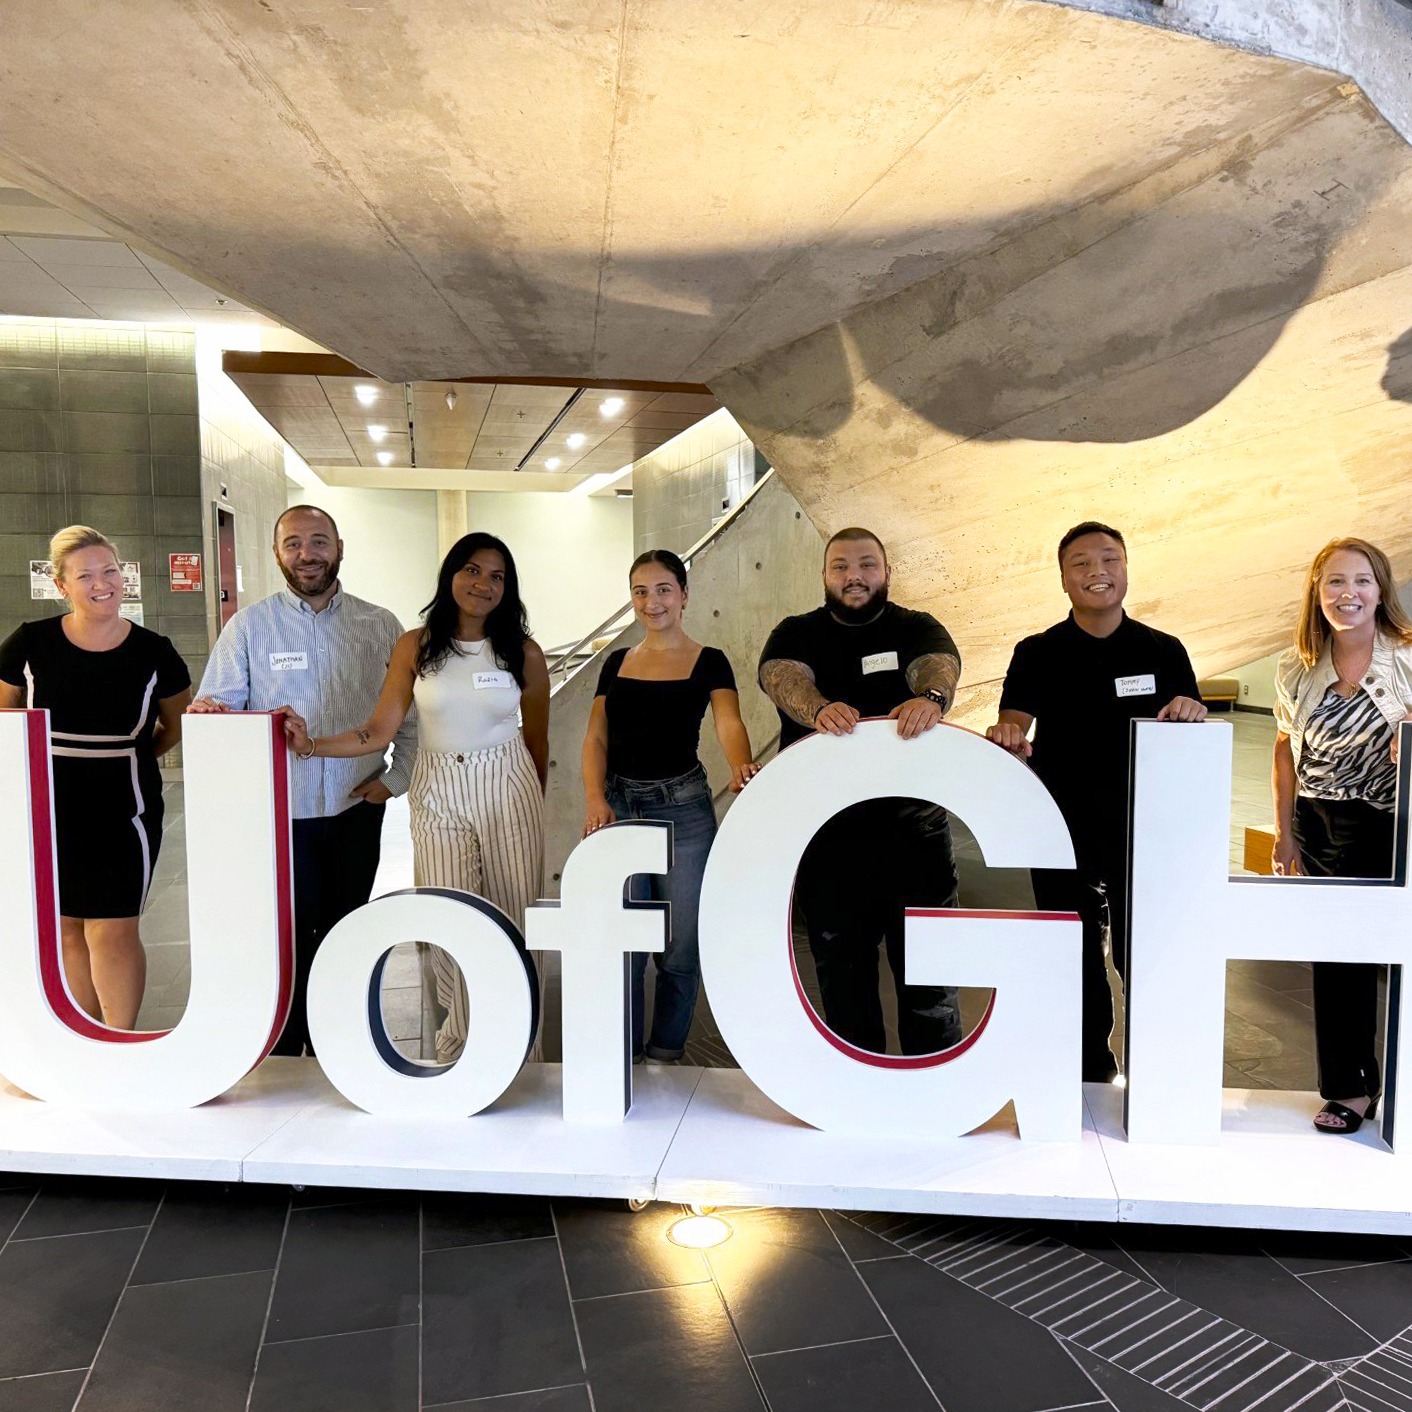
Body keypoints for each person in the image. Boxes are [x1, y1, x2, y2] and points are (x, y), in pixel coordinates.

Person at [278, 532, 549, 1063]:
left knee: (514, 916)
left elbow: (538, 738)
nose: (483, 584)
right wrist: (310, 746)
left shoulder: (525, 652)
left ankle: (519, 1040)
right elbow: (378, 730)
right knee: (447, 914)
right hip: (437, 787)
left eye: (497, 577)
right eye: (472, 570)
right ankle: (462, 1040)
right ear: (451, 576)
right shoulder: (415, 645)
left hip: (508, 784)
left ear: (507, 589)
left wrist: (531, 802)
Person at [189, 505, 416, 1057]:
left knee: (346, 930)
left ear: (340, 548)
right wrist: (209, 712)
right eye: (293, 543)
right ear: (276, 553)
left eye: (318, 542)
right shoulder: (248, 626)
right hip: (281, 815)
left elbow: (410, 716)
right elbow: (220, 703)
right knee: (288, 935)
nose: (307, 554)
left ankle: (343, 1042)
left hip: (355, 806)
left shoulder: (379, 624)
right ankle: (290, 1050)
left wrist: (396, 779)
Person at [985, 521, 1206, 1084]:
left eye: (1109, 559)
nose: (1096, 572)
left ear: (1126, 567)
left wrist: (1190, 711)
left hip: (1144, 827)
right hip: (1060, 824)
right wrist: (1008, 735)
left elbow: (1191, 718)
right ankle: (1089, 1067)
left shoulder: (1163, 649)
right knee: (1072, 953)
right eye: (1080, 563)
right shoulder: (1038, 651)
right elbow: (1014, 722)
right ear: (1063, 579)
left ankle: (1158, 1072)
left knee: (1145, 950)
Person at [758, 526, 963, 1056]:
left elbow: (938, 666)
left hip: (915, 834)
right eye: (842, 566)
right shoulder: (797, 631)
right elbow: (780, 677)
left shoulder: (916, 626)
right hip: (830, 839)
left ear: (887, 572)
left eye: (867, 564)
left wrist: (933, 697)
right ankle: (859, 1093)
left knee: (931, 976)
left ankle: (936, 1087)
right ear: (825, 576)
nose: (855, 576)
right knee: (843, 979)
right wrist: (817, 709)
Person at [0, 525, 191, 1030]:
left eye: (111, 570)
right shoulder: (29, 643)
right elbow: (5, 720)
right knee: (65, 927)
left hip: (123, 807)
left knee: (113, 929)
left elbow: (176, 723)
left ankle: (119, 1039)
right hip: (48, 804)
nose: (102, 582)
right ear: (62, 585)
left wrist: (130, 754)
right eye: (85, 575)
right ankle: (85, 1037)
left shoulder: (155, 650)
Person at [581, 549, 759, 1062]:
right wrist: (595, 798)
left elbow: (729, 721)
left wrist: (740, 764)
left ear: (683, 595)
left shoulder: (709, 660)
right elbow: (596, 737)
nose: (652, 601)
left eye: (663, 590)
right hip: (619, 808)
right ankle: (627, 1054)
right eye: (640, 591)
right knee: (628, 943)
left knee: (680, 946)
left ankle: (666, 1051)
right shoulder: (617, 662)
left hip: (684, 812)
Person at [1271, 537, 1412, 1134]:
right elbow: (1283, 754)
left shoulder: (1407, 657)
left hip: (1394, 823)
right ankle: (1350, 1089)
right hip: (1321, 822)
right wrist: (1285, 834)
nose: (1347, 594)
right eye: (1334, 581)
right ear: (1316, 591)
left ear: (1380, 592)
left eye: (1361, 581)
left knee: (1399, 954)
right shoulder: (1295, 666)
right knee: (1335, 960)